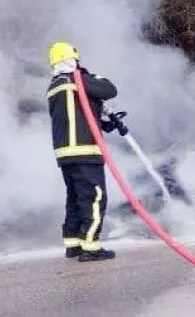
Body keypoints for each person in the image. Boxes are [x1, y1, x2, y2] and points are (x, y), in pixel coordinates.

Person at [47, 41, 122, 262]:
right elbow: (109, 89)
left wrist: (106, 124)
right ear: (74, 59)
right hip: (85, 152)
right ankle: (90, 248)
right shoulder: (78, 79)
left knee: (75, 198)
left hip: (66, 154)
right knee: (94, 198)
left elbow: (79, 115)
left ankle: (73, 244)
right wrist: (88, 74)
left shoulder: (55, 86)